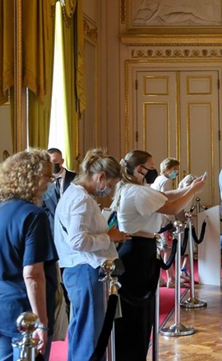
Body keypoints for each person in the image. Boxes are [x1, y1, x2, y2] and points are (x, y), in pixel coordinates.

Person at [114, 150, 206, 359]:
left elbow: (165, 196)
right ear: (140, 169)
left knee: (143, 310)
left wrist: (189, 188)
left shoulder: (137, 188)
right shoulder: (135, 192)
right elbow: (171, 207)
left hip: (141, 246)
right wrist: (193, 192)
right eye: (152, 165)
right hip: (136, 248)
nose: (154, 169)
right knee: (137, 312)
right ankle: (132, 352)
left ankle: (138, 349)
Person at [0, 149, 58, 361]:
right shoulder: (34, 216)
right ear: (30, 178)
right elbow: (32, 275)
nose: (49, 183)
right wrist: (42, 322)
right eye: (46, 177)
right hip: (25, 307)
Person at [54, 149, 130, 361]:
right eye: (111, 184)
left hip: (80, 269)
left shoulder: (75, 193)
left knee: (83, 328)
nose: (110, 190)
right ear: (101, 177)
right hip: (86, 269)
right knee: (90, 332)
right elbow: (78, 241)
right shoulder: (81, 200)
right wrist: (110, 237)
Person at [150, 157, 188, 287]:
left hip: (156, 220)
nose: (176, 173)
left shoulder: (157, 180)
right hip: (165, 220)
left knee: (161, 250)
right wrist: (173, 220)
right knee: (167, 250)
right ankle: (171, 279)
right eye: (174, 170)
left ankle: (160, 278)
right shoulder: (165, 181)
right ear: (168, 169)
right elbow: (167, 202)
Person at [42, 147, 77, 234]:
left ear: (62, 161)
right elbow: (42, 206)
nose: (53, 165)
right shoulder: (43, 182)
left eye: (56, 161)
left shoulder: (76, 178)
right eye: (50, 162)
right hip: (52, 229)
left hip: (72, 226)